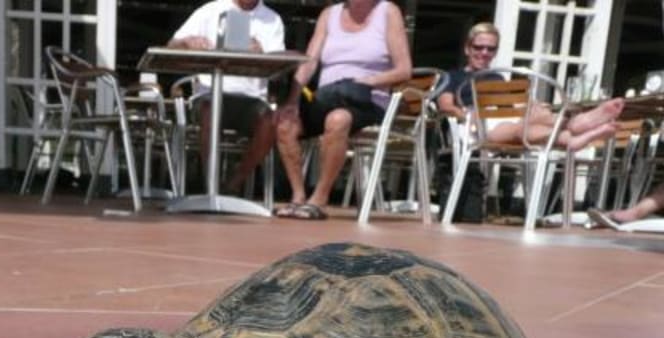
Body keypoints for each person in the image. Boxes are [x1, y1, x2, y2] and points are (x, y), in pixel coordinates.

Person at [273, 0, 412, 220]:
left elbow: (404, 70)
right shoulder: (329, 14)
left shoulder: (388, 12)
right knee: (284, 122)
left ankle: (319, 198)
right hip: (329, 96)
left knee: (337, 120)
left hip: (368, 100)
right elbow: (309, 63)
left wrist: (366, 81)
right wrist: (292, 101)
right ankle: (298, 196)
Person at [437, 22, 625, 152]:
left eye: (491, 49)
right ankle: (572, 131)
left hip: (505, 117)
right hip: (478, 125)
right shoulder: (454, 76)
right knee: (521, 130)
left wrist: (530, 106)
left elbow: (510, 108)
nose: (484, 53)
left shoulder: (498, 76)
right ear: (467, 48)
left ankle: (575, 128)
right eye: (479, 47)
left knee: (535, 111)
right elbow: (446, 106)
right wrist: (469, 117)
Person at [168, 0, 285, 195]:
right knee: (209, 110)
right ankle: (210, 186)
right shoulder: (210, 10)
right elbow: (171, 46)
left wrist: (262, 54)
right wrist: (186, 42)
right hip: (209, 93)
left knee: (271, 121)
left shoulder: (273, 20)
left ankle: (233, 183)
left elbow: (280, 71)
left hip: (251, 99)